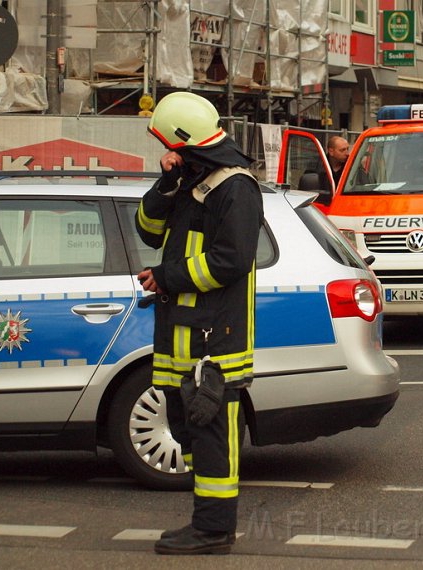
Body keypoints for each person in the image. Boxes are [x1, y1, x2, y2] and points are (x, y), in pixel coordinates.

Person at [135, 91, 263, 556]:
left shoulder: (235, 187)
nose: (164, 153)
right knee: (185, 426)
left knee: (211, 431)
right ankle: (206, 522)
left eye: (168, 146)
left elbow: (230, 261)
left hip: (215, 339)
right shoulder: (188, 178)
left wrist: (166, 275)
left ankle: (213, 529)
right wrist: (165, 184)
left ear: (185, 142)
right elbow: (148, 229)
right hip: (179, 334)